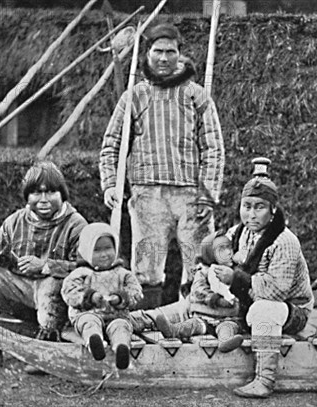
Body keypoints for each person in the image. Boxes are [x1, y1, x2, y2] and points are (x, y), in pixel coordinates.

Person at [99, 23, 225, 306]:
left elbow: (213, 148)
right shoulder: (134, 96)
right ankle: (147, 327)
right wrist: (110, 183)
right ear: (148, 54)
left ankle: (198, 324)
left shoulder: (197, 96)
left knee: (200, 265)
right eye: (158, 51)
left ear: (180, 54)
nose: (164, 58)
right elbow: (112, 144)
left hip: (191, 198)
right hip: (148, 199)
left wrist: (207, 194)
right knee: (147, 268)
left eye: (171, 51)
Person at [0, 161, 88, 368]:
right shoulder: (15, 221)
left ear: (62, 194)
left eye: (51, 192)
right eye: (36, 193)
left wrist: (46, 266)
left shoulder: (76, 224)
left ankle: (46, 352)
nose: (43, 199)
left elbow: (87, 270)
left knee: (52, 281)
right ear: (27, 196)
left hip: (58, 300)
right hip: (22, 292)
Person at [211, 157, 314, 399]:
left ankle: (264, 380)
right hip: (248, 302)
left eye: (259, 207)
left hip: (291, 310)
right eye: (246, 206)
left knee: (264, 310)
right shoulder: (238, 233)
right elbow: (219, 257)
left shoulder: (284, 240)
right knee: (206, 301)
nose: (251, 214)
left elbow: (275, 292)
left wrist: (236, 279)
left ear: (273, 210)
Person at [61, 223, 143, 369]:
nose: (104, 254)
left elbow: (136, 292)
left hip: (116, 315)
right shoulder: (81, 273)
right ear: (87, 251)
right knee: (89, 322)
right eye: (97, 250)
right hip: (87, 313)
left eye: (108, 248)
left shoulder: (123, 274)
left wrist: (121, 298)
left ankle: (121, 347)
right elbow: (69, 292)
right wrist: (89, 297)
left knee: (121, 326)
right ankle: (94, 341)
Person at [153, 231, 245, 353]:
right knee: (192, 325)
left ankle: (225, 342)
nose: (228, 252)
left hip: (228, 317)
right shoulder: (204, 272)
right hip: (205, 317)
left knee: (228, 328)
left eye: (229, 247)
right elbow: (199, 290)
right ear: (210, 254)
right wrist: (215, 299)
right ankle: (174, 330)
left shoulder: (236, 273)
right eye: (221, 249)